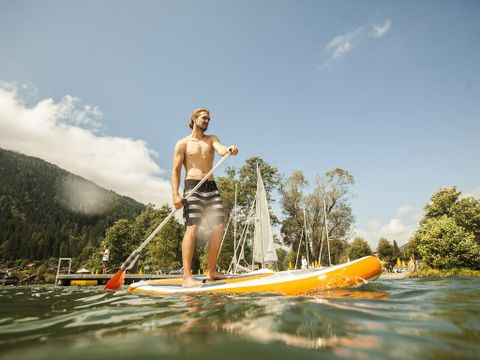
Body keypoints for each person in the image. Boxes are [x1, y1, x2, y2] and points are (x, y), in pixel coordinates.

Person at [171, 108, 238, 288]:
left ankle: (211, 271)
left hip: (210, 186)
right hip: (193, 186)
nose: (207, 121)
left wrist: (228, 150)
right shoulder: (182, 144)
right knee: (193, 227)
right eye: (204, 118)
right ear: (194, 118)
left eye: (209, 119)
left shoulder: (211, 139)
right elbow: (176, 171)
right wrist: (175, 194)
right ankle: (187, 276)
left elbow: (221, 149)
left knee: (219, 226)